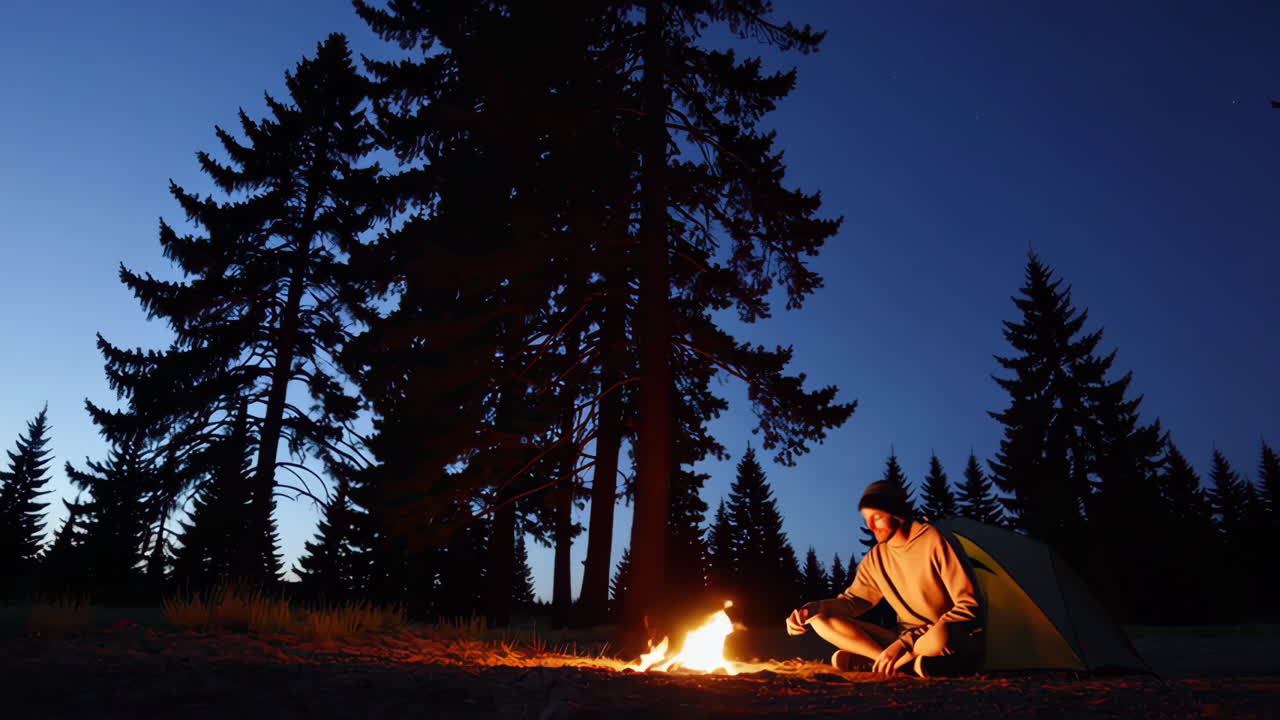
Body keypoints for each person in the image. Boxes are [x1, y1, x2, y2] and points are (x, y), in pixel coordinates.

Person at [786, 480, 982, 676]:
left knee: (942, 636)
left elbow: (968, 606)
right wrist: (813, 608)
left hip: (936, 635)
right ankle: (897, 665)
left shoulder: (935, 540)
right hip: (901, 640)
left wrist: (905, 643)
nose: (871, 525)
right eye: (866, 518)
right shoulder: (876, 557)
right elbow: (853, 602)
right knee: (820, 620)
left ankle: (886, 662)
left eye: (877, 517)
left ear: (897, 513)